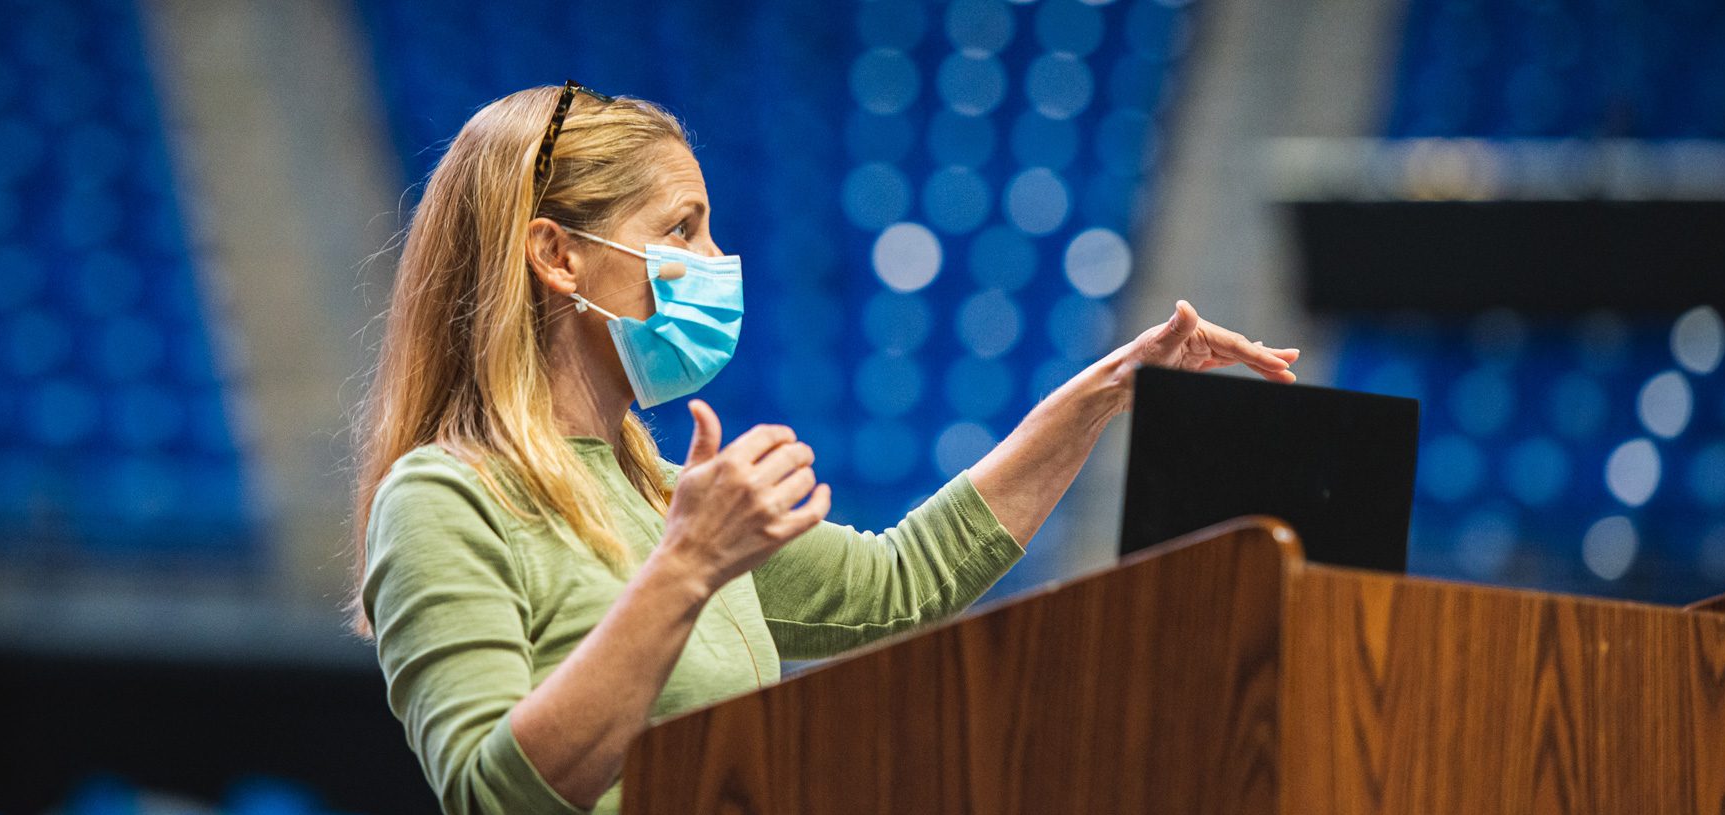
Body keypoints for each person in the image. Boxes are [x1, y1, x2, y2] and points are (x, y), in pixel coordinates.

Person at [347, 82, 1300, 815]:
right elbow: (489, 793)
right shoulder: (443, 497)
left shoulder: (668, 500)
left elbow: (903, 582)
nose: (718, 260)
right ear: (557, 256)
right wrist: (687, 569)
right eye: (683, 228)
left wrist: (1107, 390)